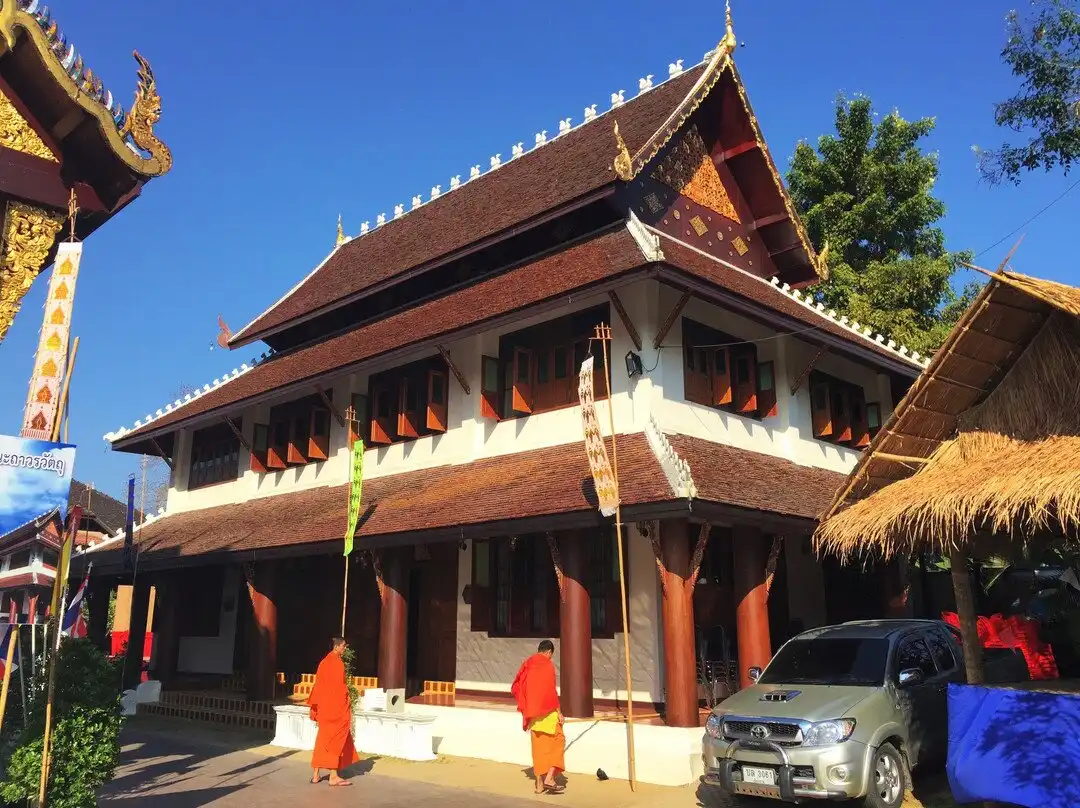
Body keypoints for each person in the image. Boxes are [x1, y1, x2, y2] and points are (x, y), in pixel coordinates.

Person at [511, 639, 566, 795]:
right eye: (551, 655)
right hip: (548, 714)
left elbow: (517, 685)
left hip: (533, 716)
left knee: (539, 751)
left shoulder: (527, 663)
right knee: (559, 742)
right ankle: (549, 777)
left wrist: (527, 704)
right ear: (548, 652)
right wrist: (559, 712)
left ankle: (539, 785)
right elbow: (551, 690)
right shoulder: (547, 664)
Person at [308, 636, 359, 786]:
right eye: (343, 646)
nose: (345, 648)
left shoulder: (323, 662)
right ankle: (333, 776)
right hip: (335, 709)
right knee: (335, 741)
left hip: (324, 708)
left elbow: (318, 686)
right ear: (336, 647)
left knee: (323, 740)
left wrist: (316, 707)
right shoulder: (337, 663)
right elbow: (339, 688)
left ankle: (315, 775)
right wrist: (347, 703)